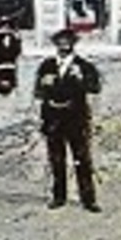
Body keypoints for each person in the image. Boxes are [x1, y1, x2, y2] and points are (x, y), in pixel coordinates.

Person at [34, 26, 102, 211]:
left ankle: (88, 199)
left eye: (68, 41)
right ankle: (59, 197)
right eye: (60, 41)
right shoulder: (46, 65)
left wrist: (81, 79)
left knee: (81, 158)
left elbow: (95, 87)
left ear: (73, 44)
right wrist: (43, 85)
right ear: (56, 44)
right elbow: (38, 93)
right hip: (53, 119)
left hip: (75, 118)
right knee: (56, 159)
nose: (64, 45)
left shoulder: (84, 65)